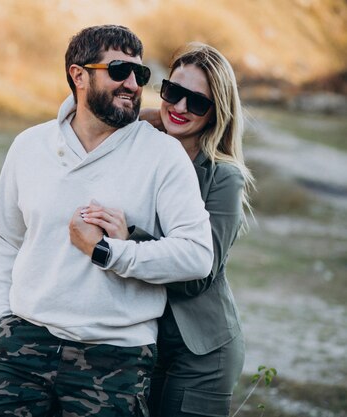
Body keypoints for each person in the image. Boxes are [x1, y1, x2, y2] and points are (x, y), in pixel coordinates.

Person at [0, 25, 214, 417]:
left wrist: (108, 252)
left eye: (140, 74)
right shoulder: (29, 146)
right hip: (24, 343)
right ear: (79, 75)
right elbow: (2, 237)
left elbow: (198, 255)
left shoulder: (163, 156)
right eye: (119, 70)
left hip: (115, 354)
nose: (133, 83)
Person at [78, 42, 254, 417]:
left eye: (198, 102)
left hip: (201, 350)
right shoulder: (145, 148)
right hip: (146, 340)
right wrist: (140, 119)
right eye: (174, 93)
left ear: (217, 111)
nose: (181, 108)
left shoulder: (224, 177)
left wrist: (129, 239)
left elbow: (198, 276)